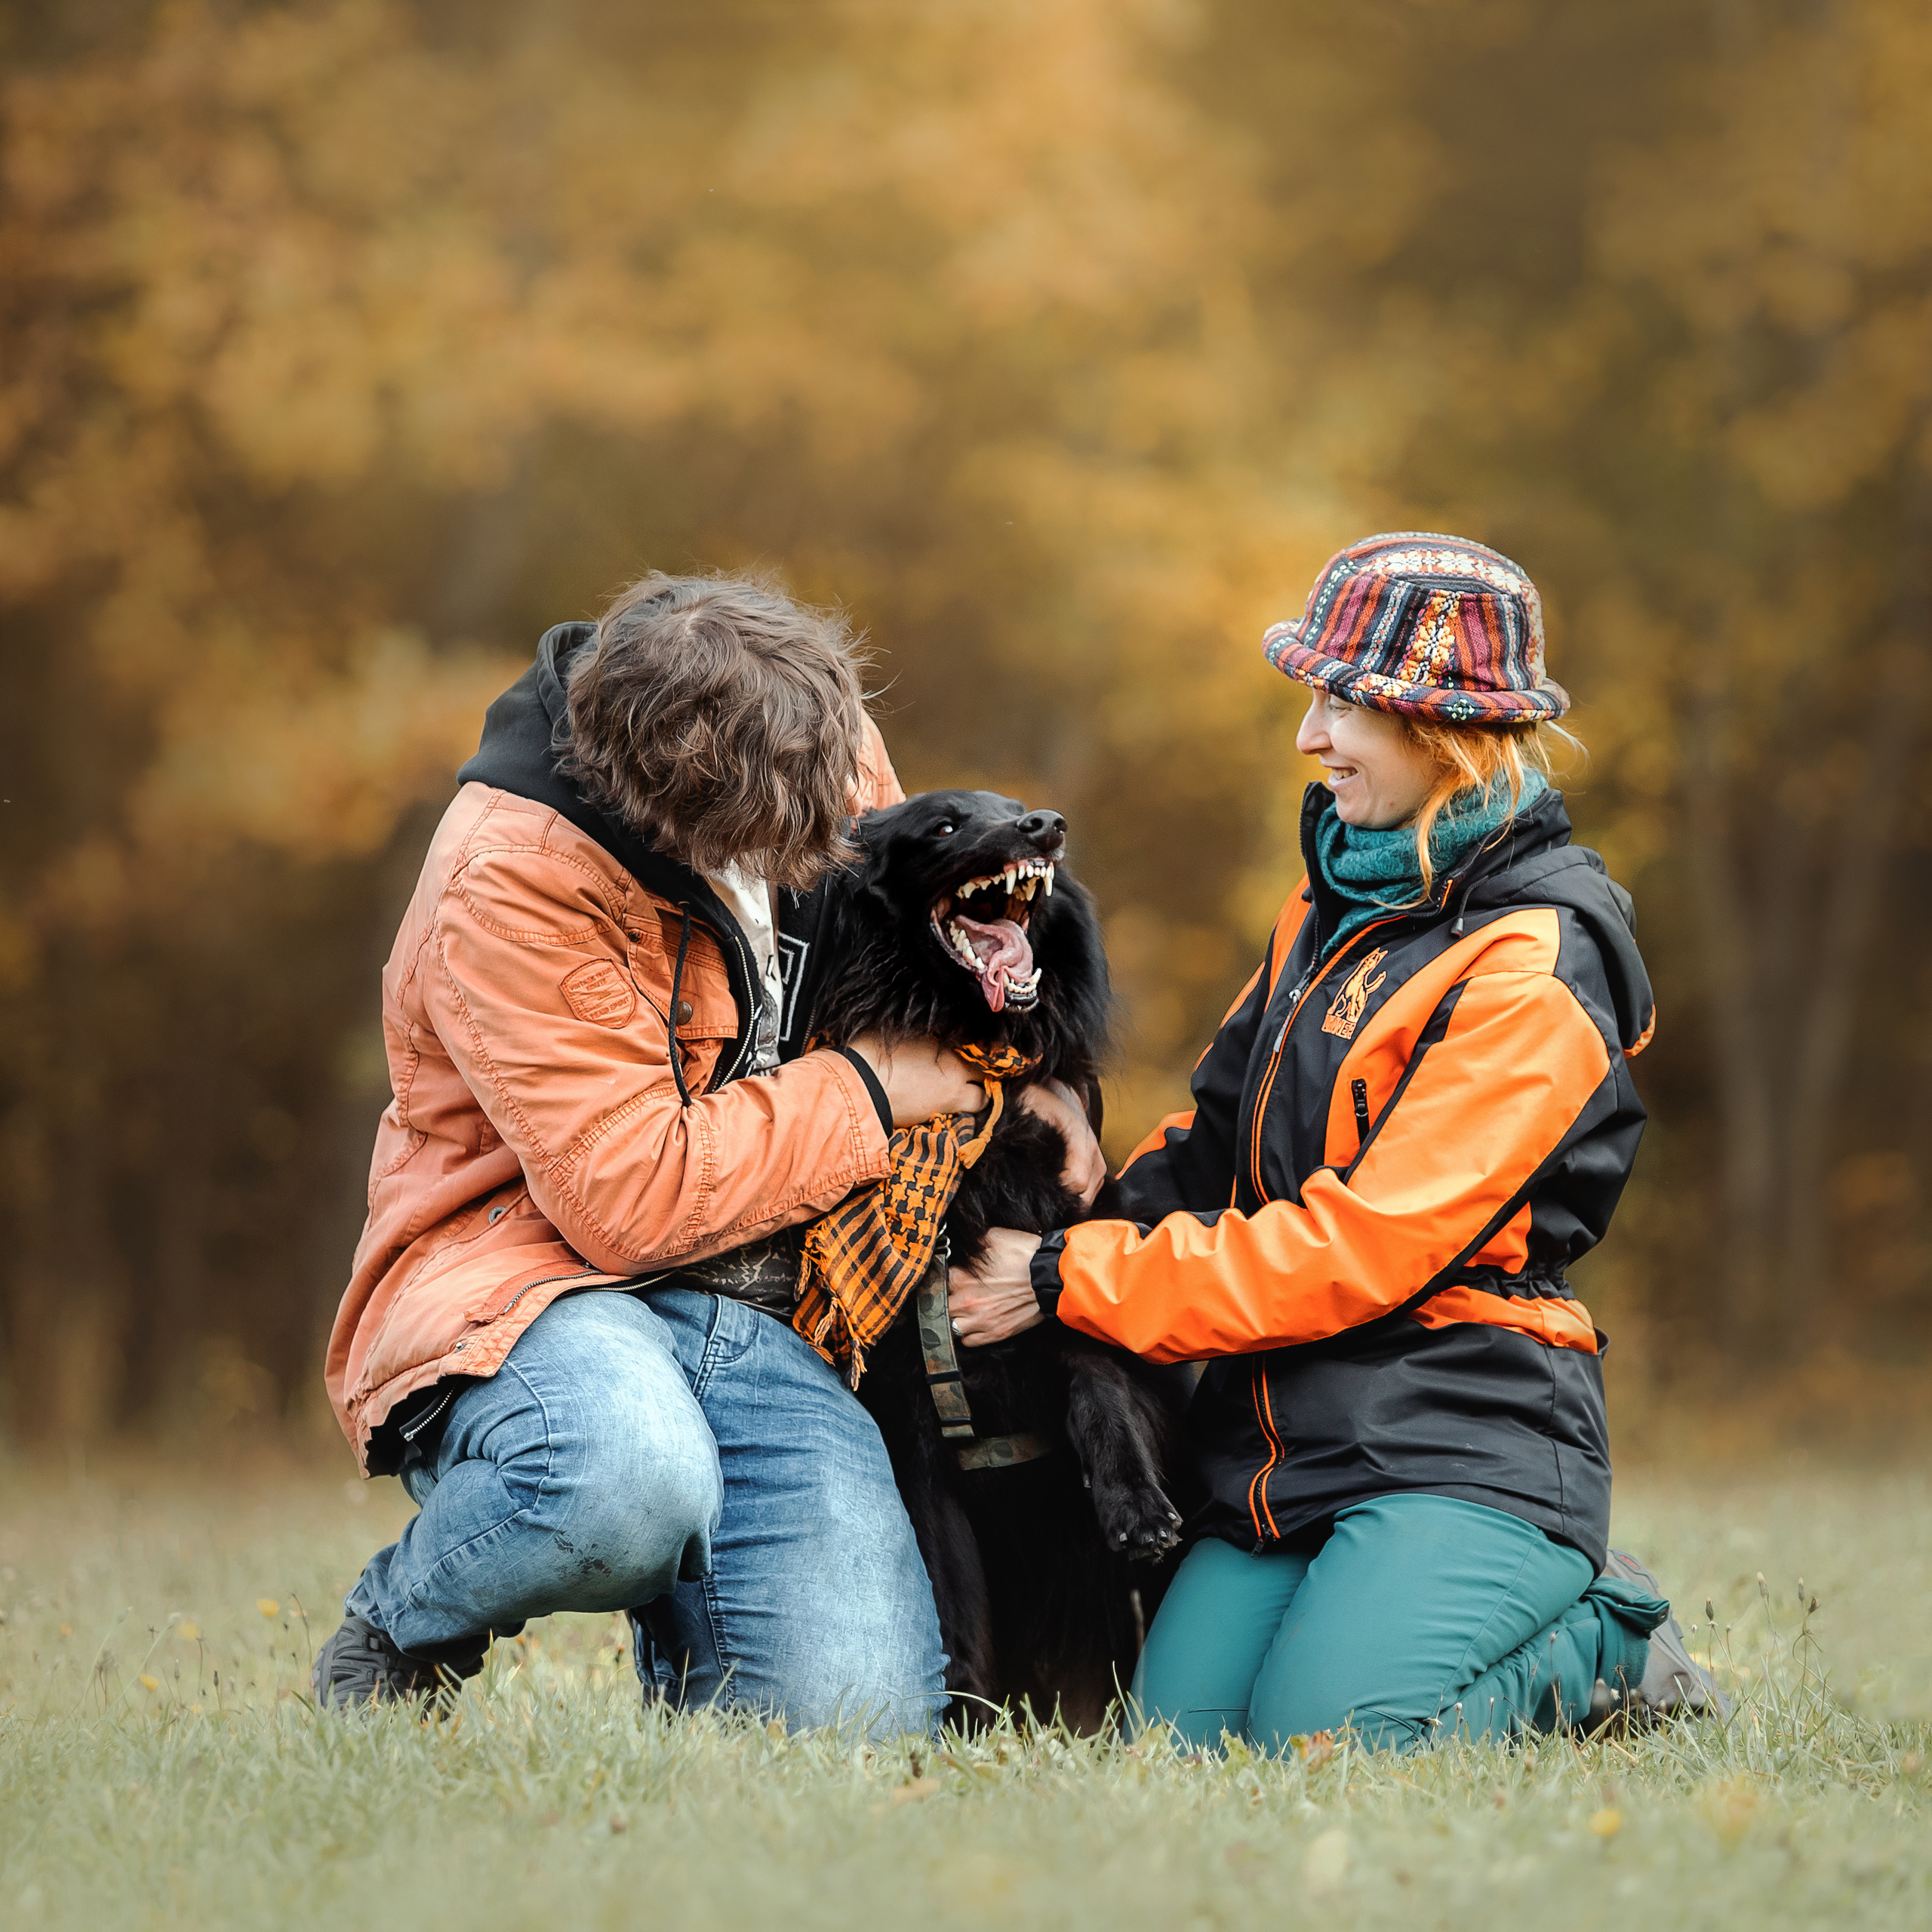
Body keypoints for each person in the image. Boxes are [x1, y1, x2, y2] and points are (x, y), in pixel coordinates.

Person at [949, 532, 1676, 1751]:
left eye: (1344, 704)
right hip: (1284, 1434)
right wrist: (1088, 1173)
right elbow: (1221, 1134)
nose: (1310, 737)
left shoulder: (1534, 963)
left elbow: (1360, 1248)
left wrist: (1058, 1277)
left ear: (1443, 731)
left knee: (1329, 1748)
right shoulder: (1338, 894)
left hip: (1462, 1421)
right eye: (1313, 699)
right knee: (1180, 1752)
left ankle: (1612, 1636)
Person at [315, 571, 986, 1734]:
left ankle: (704, 1646)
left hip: (760, 1301)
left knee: (852, 1742)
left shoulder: (818, 741)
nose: (817, 850)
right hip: (533, 1281)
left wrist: (1042, 1087)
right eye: (775, 840)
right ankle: (400, 1627)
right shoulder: (512, 873)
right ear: (655, 807)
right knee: (620, 1484)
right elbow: (629, 1200)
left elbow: (929, 958)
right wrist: (872, 1092)